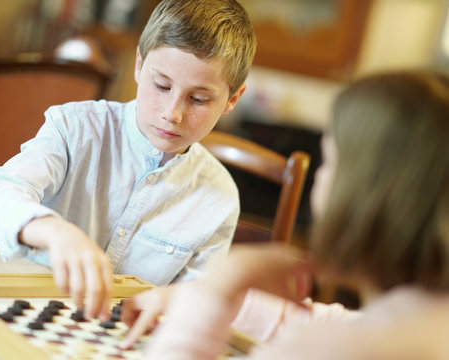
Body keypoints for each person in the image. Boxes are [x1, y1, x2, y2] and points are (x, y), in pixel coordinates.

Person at [121, 70, 449, 358]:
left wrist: (217, 288)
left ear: (365, 192)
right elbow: (331, 321)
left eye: (329, 161)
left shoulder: (331, 349)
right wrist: (213, 295)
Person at [0, 0, 256, 321]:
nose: (172, 113)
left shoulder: (219, 199)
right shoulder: (76, 128)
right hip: (25, 313)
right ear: (139, 66)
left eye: (198, 99)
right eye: (161, 85)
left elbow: (195, 305)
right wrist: (53, 232)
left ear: (233, 100)